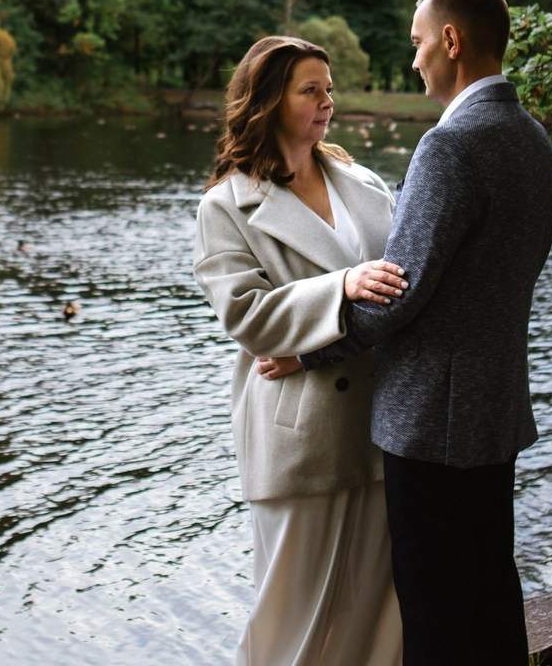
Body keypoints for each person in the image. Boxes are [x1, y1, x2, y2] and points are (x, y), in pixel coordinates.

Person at [301, 0, 552, 666]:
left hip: (430, 424)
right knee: (491, 601)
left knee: (436, 618)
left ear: (451, 40)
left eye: (419, 42)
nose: (414, 59)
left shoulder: (450, 148)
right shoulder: (534, 140)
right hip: (495, 409)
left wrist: (308, 346)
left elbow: (401, 292)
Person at [194, 35, 407, 666]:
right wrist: (340, 287)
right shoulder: (225, 207)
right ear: (268, 101)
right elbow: (249, 318)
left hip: (382, 425)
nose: (328, 102)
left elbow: (405, 288)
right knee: (291, 620)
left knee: (378, 615)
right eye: (310, 90)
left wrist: (320, 335)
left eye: (329, 88)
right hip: (301, 438)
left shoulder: (362, 183)